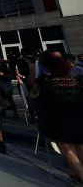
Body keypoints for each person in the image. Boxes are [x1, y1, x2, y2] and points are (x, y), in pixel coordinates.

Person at [31, 52, 83, 182]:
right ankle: (77, 173)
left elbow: (34, 100)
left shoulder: (42, 83)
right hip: (78, 117)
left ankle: (80, 175)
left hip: (58, 120)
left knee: (67, 149)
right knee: (80, 146)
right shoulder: (77, 80)